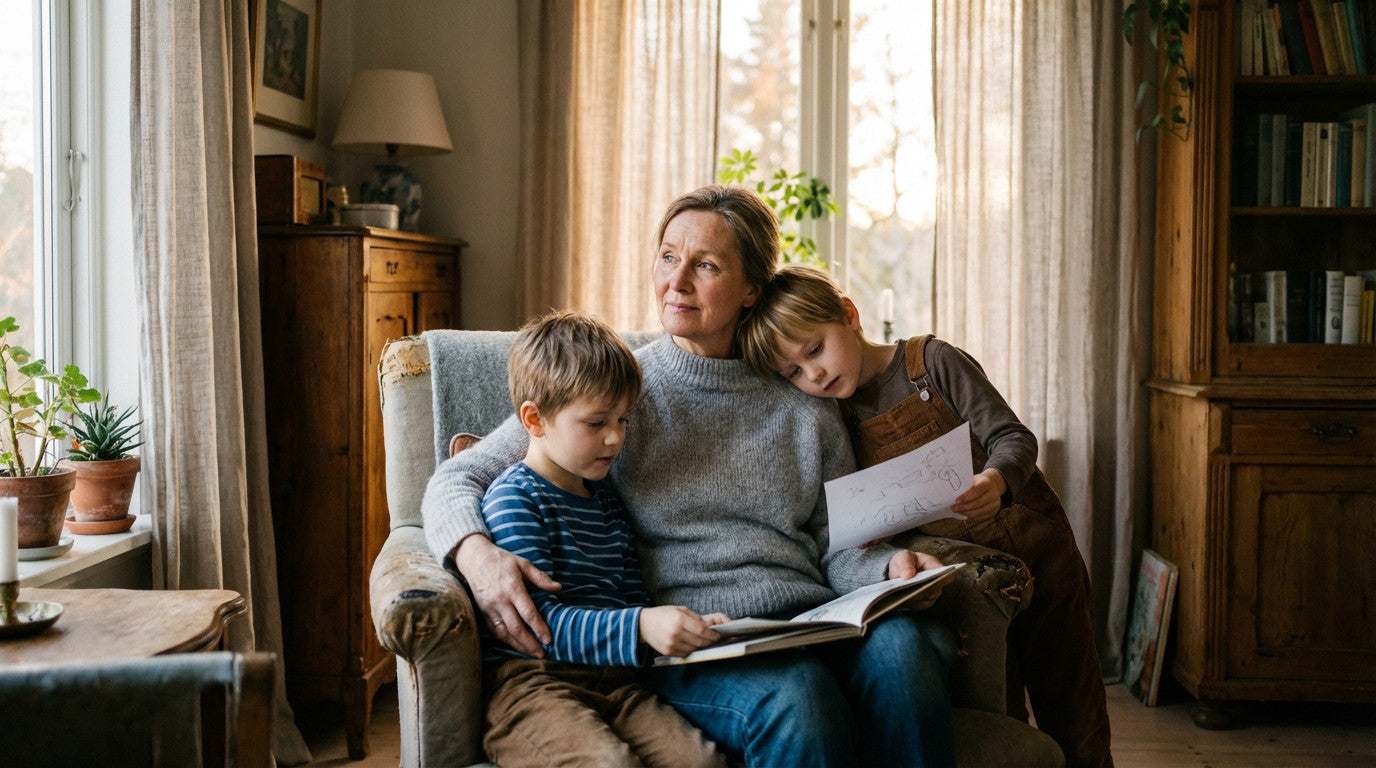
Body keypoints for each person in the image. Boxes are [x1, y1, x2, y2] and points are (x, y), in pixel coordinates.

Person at [423, 185, 958, 767]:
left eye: (704, 265)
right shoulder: (617, 390)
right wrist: (475, 554)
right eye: (669, 257)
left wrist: (887, 568)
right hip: (693, 638)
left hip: (808, 621)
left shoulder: (807, 399)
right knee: (798, 696)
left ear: (752, 288)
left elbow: (837, 544)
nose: (676, 283)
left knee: (904, 649)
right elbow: (461, 475)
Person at [736, 263, 1114, 768]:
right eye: (795, 373)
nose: (815, 375)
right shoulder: (833, 416)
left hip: (1035, 541)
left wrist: (996, 481)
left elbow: (1013, 436)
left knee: (1072, 696)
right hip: (971, 571)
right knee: (1001, 707)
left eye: (815, 349)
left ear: (849, 315)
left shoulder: (931, 362)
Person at [478, 309, 728, 767]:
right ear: (535, 420)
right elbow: (539, 628)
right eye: (596, 423)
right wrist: (641, 627)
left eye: (623, 420)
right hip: (534, 685)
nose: (615, 438)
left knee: (702, 761)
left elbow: (630, 597)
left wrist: (676, 629)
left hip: (617, 682)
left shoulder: (609, 501)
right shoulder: (515, 499)